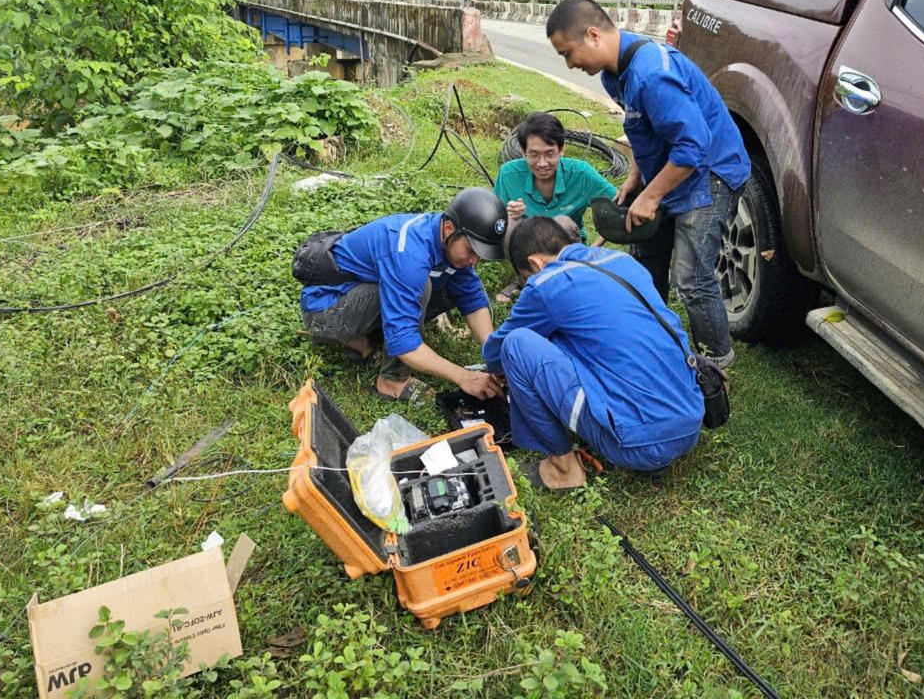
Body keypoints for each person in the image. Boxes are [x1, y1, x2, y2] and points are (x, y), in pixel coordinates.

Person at [545, 0, 751, 370]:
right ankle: (656, 344)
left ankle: (715, 367)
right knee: (645, 258)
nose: (570, 64)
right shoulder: (614, 74)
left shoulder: (651, 74)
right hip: (673, 168)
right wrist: (636, 178)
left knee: (691, 277)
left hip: (710, 172)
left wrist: (651, 196)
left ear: (593, 35)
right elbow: (646, 130)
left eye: (568, 53)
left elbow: (693, 147)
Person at [482, 217, 703, 491]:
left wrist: (493, 368)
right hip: (690, 421)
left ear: (536, 264)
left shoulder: (546, 282)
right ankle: (649, 437)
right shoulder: (621, 262)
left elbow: (496, 351)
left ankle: (563, 469)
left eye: (526, 279)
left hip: (635, 444)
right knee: (568, 332)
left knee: (516, 344)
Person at [297, 187, 507, 403]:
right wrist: (463, 377)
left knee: (449, 287)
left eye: (480, 255)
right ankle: (392, 380)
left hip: (357, 295)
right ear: (448, 228)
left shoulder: (445, 240)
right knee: (422, 287)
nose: (474, 261)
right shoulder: (409, 253)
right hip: (325, 313)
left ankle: (367, 339)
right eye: (471, 250)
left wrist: (494, 358)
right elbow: (403, 341)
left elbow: (472, 299)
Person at [492, 111, 617, 301]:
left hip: (566, 247)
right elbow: (493, 223)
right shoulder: (509, 174)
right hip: (525, 249)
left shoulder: (581, 173)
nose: (542, 163)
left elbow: (618, 206)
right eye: (533, 155)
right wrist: (509, 215)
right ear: (523, 151)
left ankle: (566, 280)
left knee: (562, 222)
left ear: (561, 150)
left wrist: (592, 250)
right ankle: (524, 281)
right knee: (507, 223)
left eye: (549, 154)